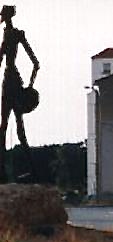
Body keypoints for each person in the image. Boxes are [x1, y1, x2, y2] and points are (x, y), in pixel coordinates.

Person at [0, 5, 39, 180]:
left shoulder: (11, 35)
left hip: (10, 82)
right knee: (16, 127)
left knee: (6, 127)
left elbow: (35, 63)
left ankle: (14, 171)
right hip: (14, 80)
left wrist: (30, 87)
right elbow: (35, 64)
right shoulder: (15, 34)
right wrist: (29, 85)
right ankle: (31, 169)